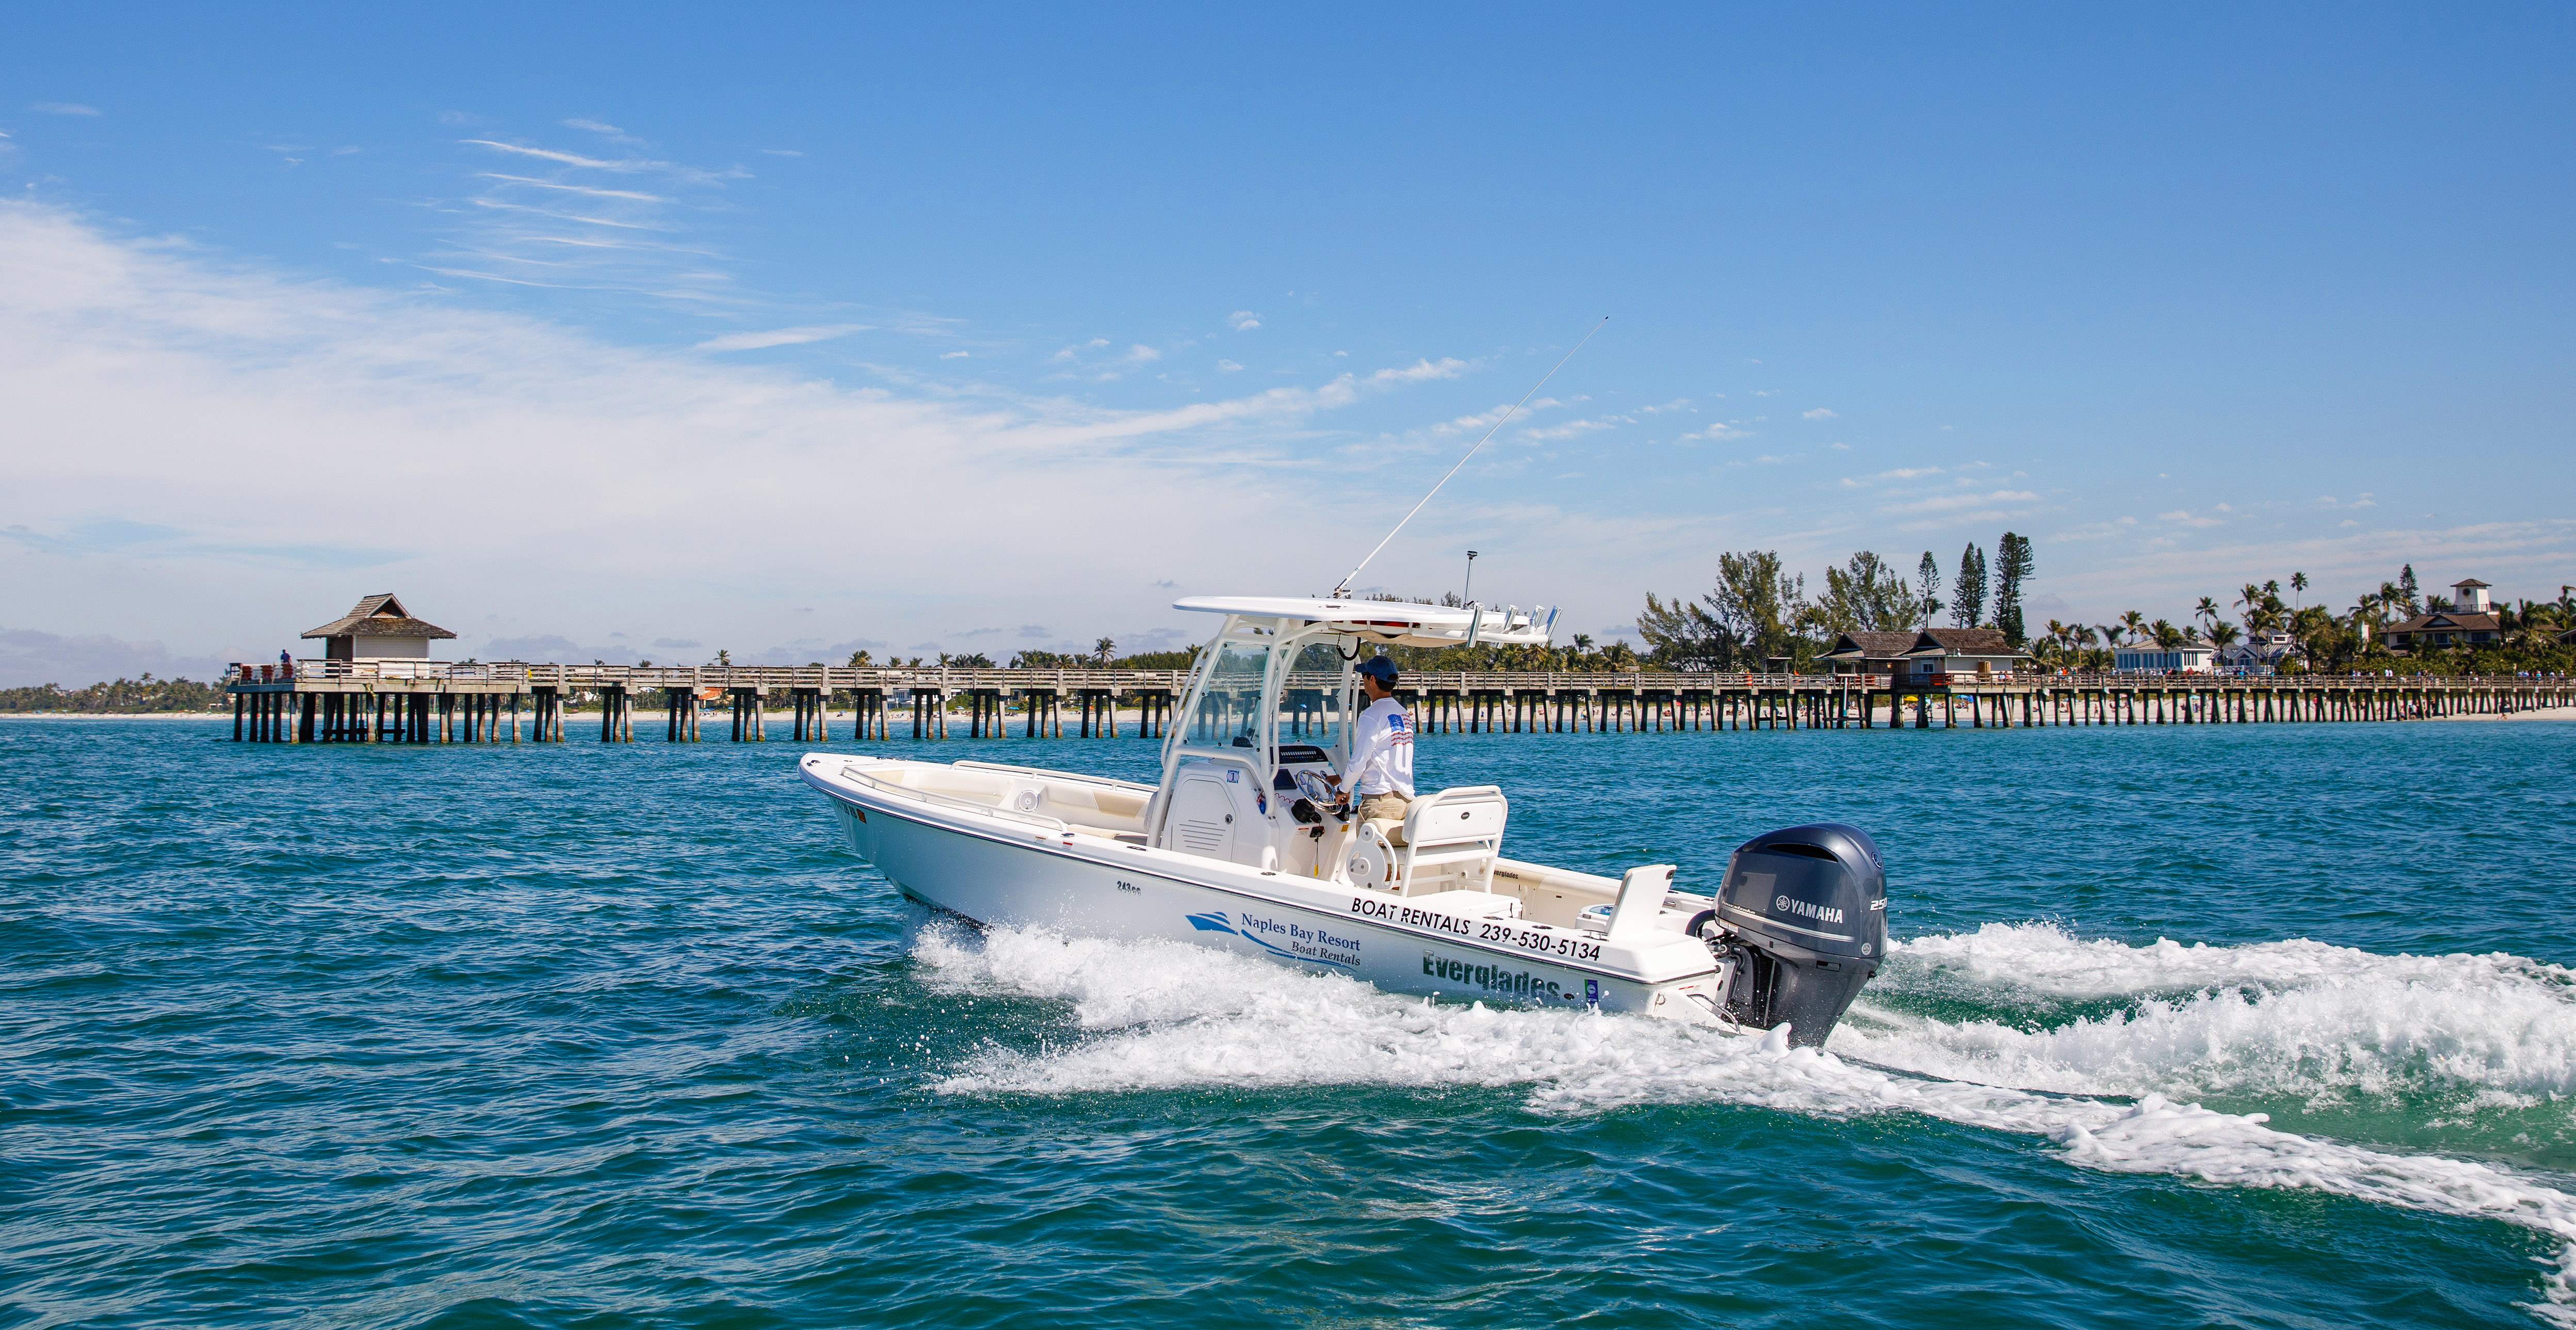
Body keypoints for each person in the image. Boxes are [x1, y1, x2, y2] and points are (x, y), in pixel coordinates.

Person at [1327, 654, 1415, 845]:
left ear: (1372, 679)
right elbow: (1380, 758)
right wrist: (1343, 778)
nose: (1364, 682)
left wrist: (1343, 789)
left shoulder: (1371, 716)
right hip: (1405, 802)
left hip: (1380, 804)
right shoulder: (1403, 714)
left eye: (1365, 676)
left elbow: (1359, 762)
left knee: (1370, 863)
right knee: (1392, 864)